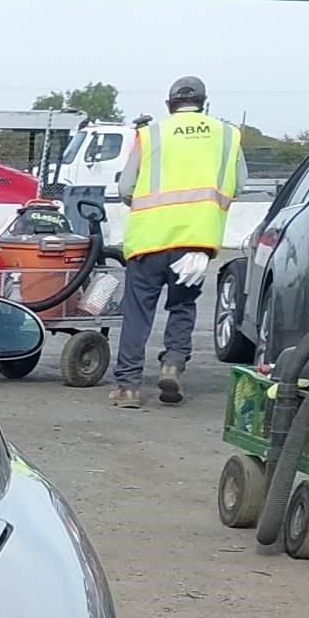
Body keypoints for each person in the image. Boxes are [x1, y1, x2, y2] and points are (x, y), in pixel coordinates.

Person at [108, 76, 242, 408]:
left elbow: (126, 188)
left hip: (148, 241)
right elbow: (239, 185)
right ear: (204, 102)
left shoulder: (151, 134)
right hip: (196, 241)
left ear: (169, 106)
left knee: (138, 313)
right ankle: (173, 363)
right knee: (182, 306)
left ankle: (128, 387)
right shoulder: (227, 135)